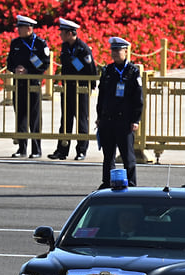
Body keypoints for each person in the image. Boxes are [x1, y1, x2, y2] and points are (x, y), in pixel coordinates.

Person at [96, 37, 144, 188]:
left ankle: (131, 183)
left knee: (127, 156)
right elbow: (101, 96)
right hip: (108, 119)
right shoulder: (108, 71)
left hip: (124, 120)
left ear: (125, 51)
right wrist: (99, 116)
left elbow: (138, 98)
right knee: (108, 155)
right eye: (113, 50)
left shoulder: (132, 72)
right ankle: (107, 182)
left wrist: (136, 119)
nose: (115, 53)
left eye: (118, 50)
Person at [48, 18, 95, 161]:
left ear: (70, 33)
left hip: (81, 88)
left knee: (81, 120)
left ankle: (81, 150)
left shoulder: (83, 49)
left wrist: (89, 87)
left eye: (62, 32)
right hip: (67, 88)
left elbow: (90, 70)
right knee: (66, 120)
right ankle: (62, 150)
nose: (60, 35)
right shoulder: (65, 47)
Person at [6, 15, 50, 158]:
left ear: (29, 28)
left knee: (34, 118)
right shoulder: (15, 43)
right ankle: (22, 148)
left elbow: (45, 64)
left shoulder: (40, 44)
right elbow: (10, 62)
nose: (18, 30)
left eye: (21, 27)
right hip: (19, 84)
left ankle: (36, 149)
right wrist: (16, 68)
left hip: (33, 84)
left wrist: (29, 71)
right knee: (20, 116)